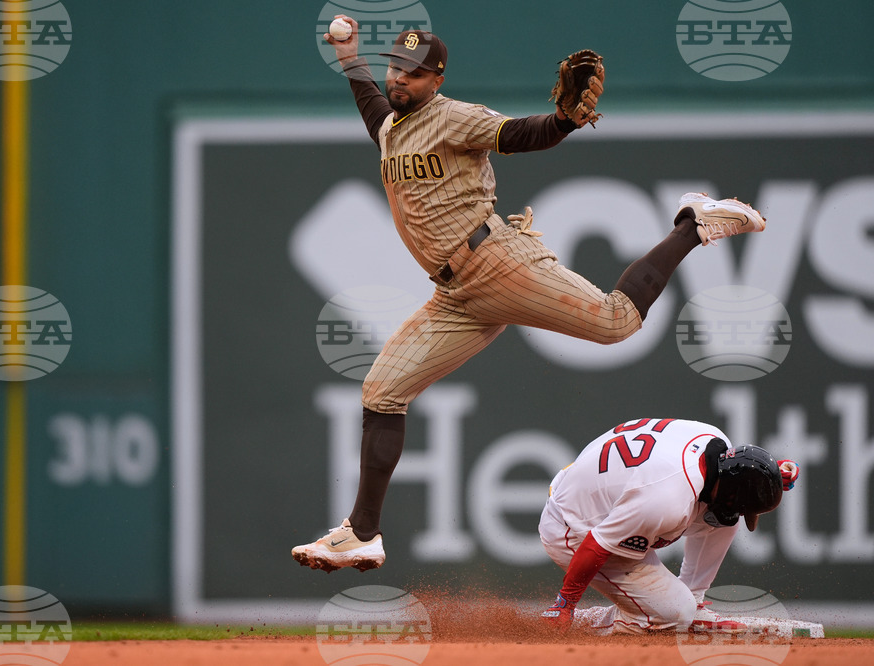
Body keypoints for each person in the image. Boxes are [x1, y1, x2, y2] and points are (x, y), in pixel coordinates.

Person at [292, 18, 769, 572]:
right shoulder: (393, 126)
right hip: (454, 295)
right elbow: (373, 106)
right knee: (382, 391)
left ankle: (694, 223)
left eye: (414, 73)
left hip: (494, 261)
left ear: (436, 79)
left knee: (615, 322)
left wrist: (564, 120)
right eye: (396, 67)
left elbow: (519, 134)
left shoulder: (452, 116)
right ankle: (363, 533)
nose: (400, 79)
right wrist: (351, 58)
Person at [538, 417, 799, 634]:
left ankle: (695, 600)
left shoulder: (715, 442)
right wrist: (565, 604)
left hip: (599, 490)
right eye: (741, 504)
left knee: (724, 520)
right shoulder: (667, 501)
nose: (742, 513)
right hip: (573, 526)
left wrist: (769, 474)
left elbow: (737, 475)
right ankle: (585, 623)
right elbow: (596, 544)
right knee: (675, 615)